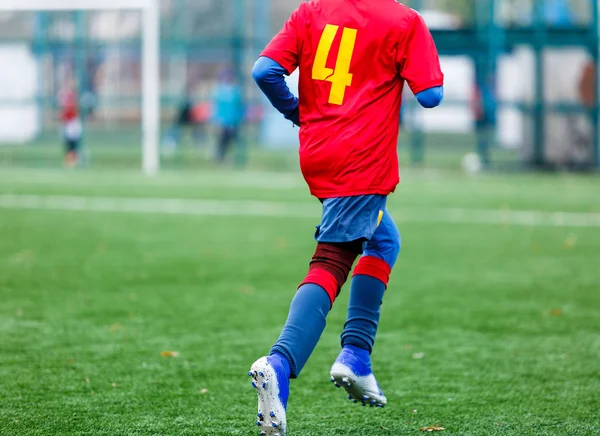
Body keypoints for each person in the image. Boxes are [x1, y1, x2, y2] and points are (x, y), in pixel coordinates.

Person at [248, 1, 444, 434]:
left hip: (320, 150)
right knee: (333, 259)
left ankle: (356, 355)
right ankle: (279, 363)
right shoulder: (404, 20)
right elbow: (431, 97)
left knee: (383, 239)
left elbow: (265, 71)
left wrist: (296, 111)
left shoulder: (311, 11)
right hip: (362, 157)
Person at [211, 69, 244, 163]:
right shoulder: (219, 91)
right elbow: (216, 108)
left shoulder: (236, 91)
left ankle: (229, 159)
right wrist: (216, 121)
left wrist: (237, 120)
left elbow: (239, 107)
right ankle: (219, 158)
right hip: (222, 122)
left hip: (233, 122)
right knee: (221, 141)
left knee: (231, 141)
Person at [58, 80, 83, 168]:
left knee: (73, 143)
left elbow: (75, 110)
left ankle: (74, 160)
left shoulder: (74, 96)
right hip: (67, 122)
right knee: (67, 142)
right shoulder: (63, 95)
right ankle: (70, 160)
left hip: (72, 122)